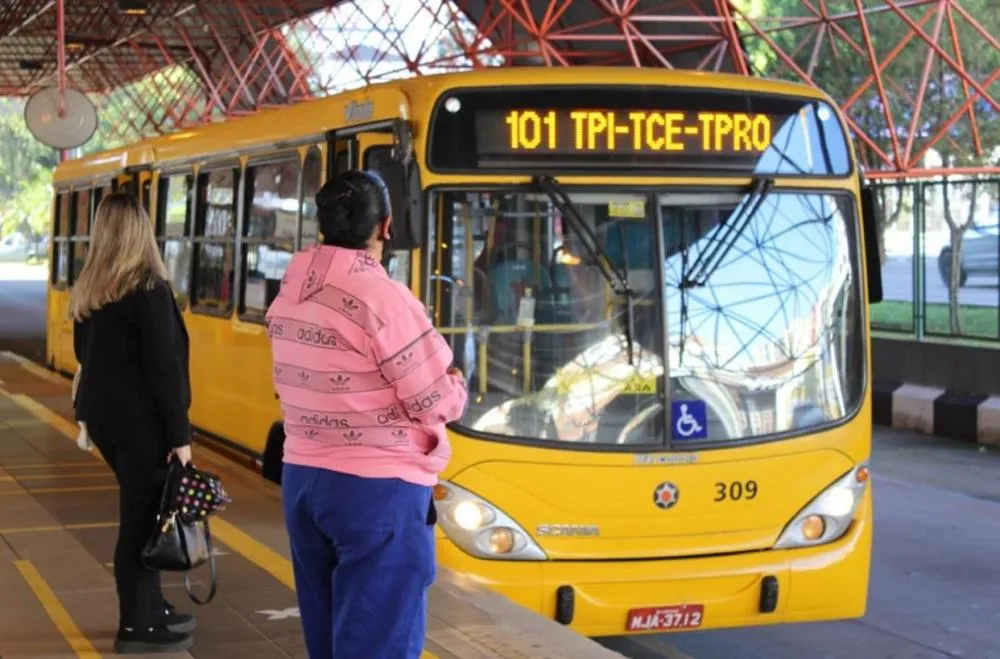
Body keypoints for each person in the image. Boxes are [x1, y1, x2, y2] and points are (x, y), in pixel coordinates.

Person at [266, 170, 468, 658]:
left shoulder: (291, 290)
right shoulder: (385, 299)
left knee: (330, 635)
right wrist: (456, 381)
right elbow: (436, 400)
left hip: (304, 482)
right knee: (378, 641)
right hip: (377, 491)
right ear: (386, 227)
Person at [70, 192, 196, 655]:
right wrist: (179, 437)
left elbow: (85, 355)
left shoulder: (93, 289)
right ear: (141, 232)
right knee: (142, 522)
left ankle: (153, 607)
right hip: (144, 424)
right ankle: (136, 625)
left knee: (147, 511)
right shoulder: (149, 290)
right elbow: (164, 368)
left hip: (106, 420)